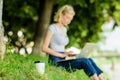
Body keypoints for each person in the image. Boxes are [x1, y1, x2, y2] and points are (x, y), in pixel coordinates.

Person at [42, 5, 105, 80]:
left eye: (70, 19)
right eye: (67, 18)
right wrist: (61, 55)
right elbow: (44, 48)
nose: (69, 21)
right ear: (61, 15)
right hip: (56, 62)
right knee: (84, 61)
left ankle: (102, 78)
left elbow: (59, 47)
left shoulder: (64, 29)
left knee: (89, 60)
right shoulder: (52, 28)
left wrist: (67, 53)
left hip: (63, 60)